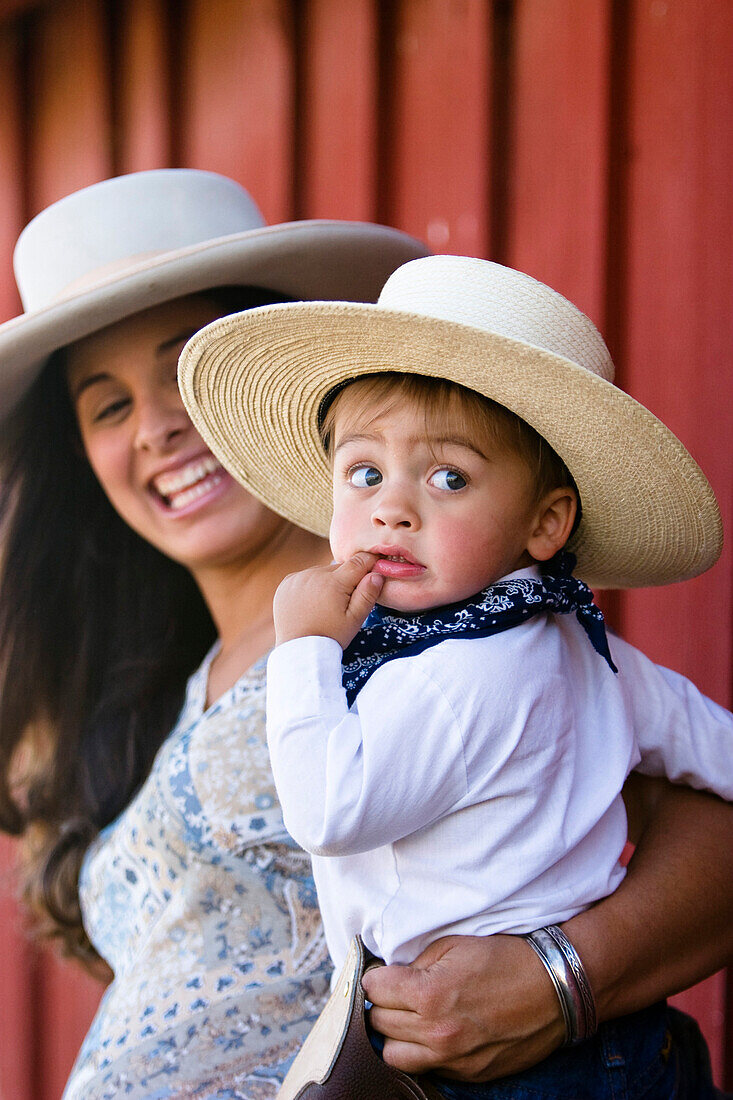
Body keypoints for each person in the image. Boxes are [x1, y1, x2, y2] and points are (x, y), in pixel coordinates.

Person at [0, 174, 729, 1100]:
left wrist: (561, 978)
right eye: (107, 406)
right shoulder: (161, 688)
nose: (155, 429)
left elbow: (714, 828)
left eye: (182, 371)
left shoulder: (438, 628)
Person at [178, 254, 733, 1097]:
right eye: (364, 472)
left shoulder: (448, 675)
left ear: (545, 522)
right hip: (622, 1045)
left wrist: (300, 650)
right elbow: (710, 744)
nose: (392, 506)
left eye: (448, 477)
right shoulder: (583, 645)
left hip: (514, 1064)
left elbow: (330, 811)